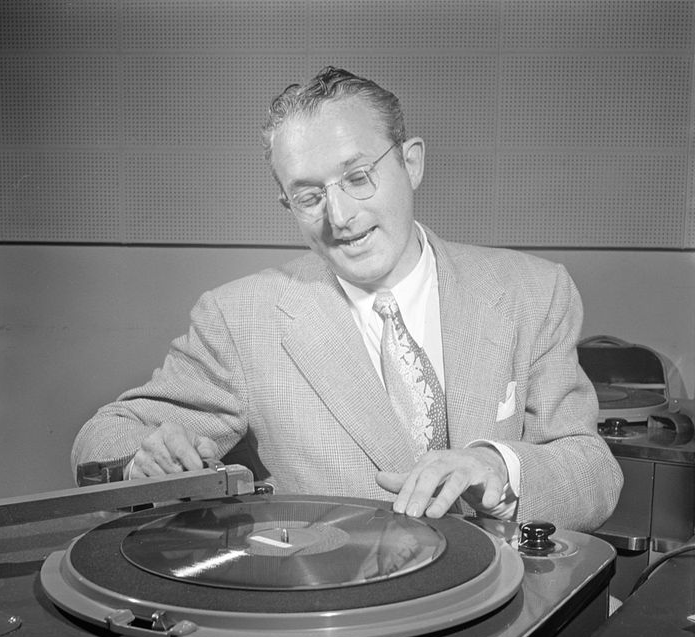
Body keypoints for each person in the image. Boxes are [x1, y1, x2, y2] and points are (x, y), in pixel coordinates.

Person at [72, 66, 622, 531]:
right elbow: (102, 437)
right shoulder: (241, 320)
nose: (340, 218)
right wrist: (139, 461)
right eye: (308, 196)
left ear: (411, 162)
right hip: (337, 633)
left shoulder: (532, 290)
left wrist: (500, 469)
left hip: (503, 615)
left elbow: (591, 470)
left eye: (358, 177)